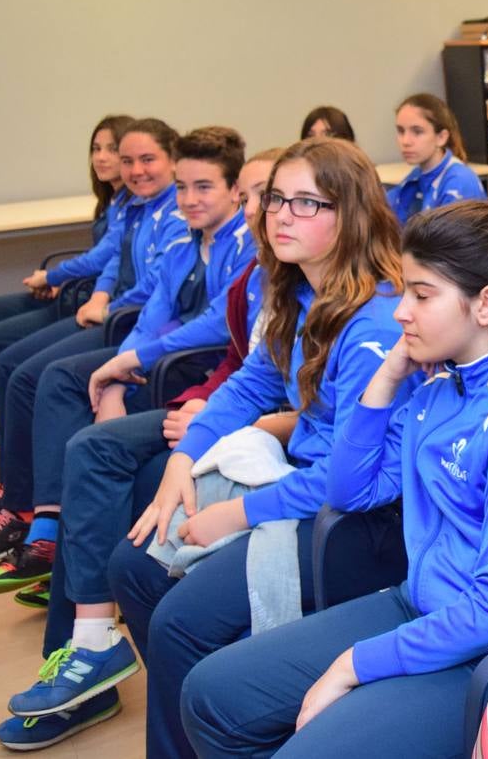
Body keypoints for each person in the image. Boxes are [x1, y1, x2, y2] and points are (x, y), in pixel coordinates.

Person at [180, 202, 488, 758]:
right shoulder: (442, 382)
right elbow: (349, 491)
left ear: (486, 304)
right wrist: (386, 378)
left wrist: (353, 665)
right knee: (211, 694)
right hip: (432, 608)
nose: (401, 312)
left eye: (422, 295)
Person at [94, 137, 409, 758]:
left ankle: (217, 718)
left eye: (306, 202)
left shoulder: (374, 323)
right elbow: (253, 383)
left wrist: (231, 515)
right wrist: (185, 458)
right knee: (134, 565)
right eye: (275, 200)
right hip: (301, 482)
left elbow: (353, 478)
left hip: (356, 523)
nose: (282, 214)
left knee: (180, 624)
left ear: (351, 215)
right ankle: (216, 722)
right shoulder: (297, 292)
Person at [0, 150, 279, 752]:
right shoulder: (259, 275)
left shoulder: (297, 283)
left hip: (249, 429)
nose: (262, 213)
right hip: (211, 403)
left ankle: (86, 653)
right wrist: (158, 384)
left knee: (95, 458)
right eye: (259, 199)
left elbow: (286, 394)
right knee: (89, 455)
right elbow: (237, 363)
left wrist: (204, 405)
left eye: (269, 197)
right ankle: (80, 652)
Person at [0, 127, 256, 596]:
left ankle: (51, 543)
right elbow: (155, 311)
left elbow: (217, 324)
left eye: (204, 187)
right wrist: (118, 373)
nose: (189, 198)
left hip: (196, 373)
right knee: (70, 392)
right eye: (183, 187)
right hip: (161, 360)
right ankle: (52, 542)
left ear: (234, 191)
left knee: (72, 402)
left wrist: (131, 361)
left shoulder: (246, 246)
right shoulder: (186, 242)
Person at [0, 119, 187, 564]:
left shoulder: (174, 214)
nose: (133, 169)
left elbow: (159, 291)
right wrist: (99, 295)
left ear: (171, 161)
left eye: (147, 159)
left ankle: (34, 516)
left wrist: (112, 322)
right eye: (126, 160)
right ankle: (20, 498)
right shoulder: (137, 206)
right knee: (14, 365)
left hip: (131, 322)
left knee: (34, 376)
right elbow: (113, 265)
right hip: (124, 316)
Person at [0, 114, 133, 453]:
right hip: (78, 291)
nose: (102, 157)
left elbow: (105, 260)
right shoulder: (111, 200)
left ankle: (18, 427)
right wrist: (62, 280)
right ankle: (14, 420)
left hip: (89, 301)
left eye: (113, 149)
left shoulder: (134, 205)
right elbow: (103, 258)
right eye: (96, 148)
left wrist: (53, 276)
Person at [385, 93, 484, 225]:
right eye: (401, 131)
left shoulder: (459, 181)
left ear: (441, 137)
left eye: (417, 131)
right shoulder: (417, 175)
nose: (405, 141)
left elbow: (452, 242)